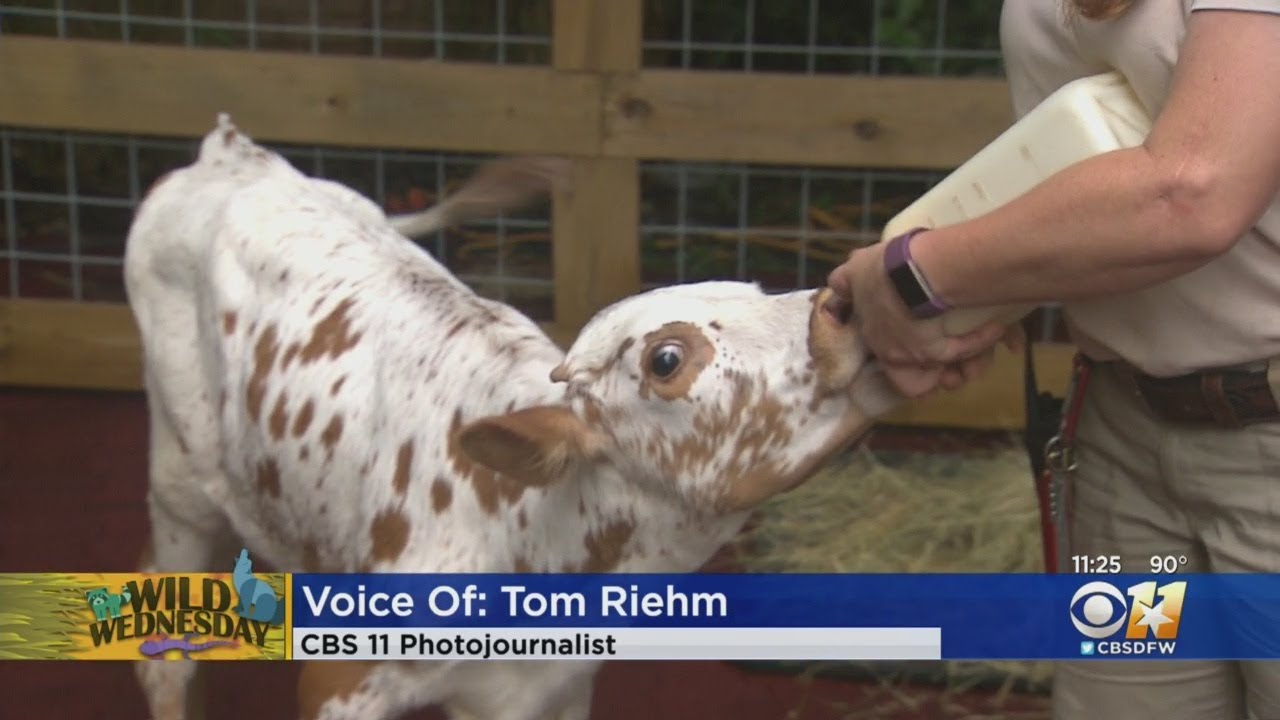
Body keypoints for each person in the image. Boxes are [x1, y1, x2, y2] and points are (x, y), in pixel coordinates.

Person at [825, 1, 1280, 718]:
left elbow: (1192, 189)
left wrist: (920, 275)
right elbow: (1090, 145)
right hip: (1125, 448)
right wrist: (974, 306)